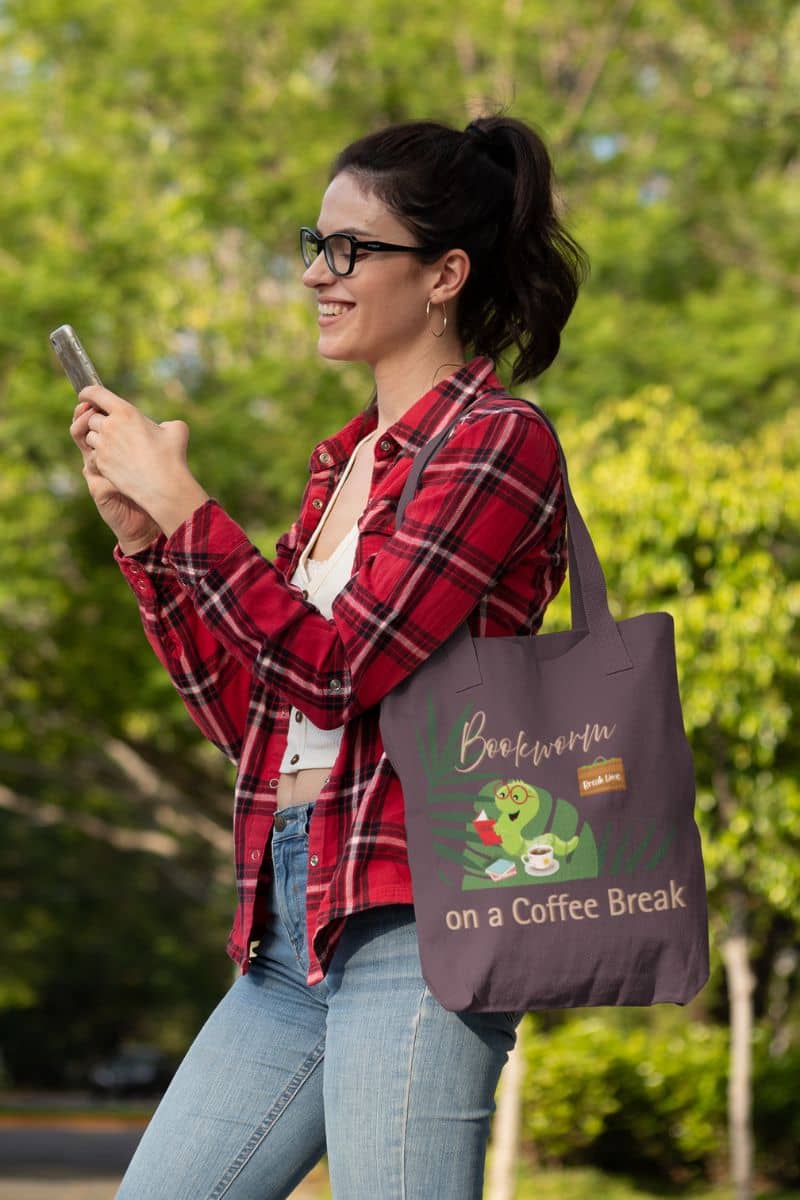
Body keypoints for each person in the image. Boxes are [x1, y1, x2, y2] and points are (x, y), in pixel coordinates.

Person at [69, 113, 589, 1200]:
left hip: (417, 918)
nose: (317, 273)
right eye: (316, 244)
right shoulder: (342, 465)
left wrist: (190, 507)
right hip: (288, 916)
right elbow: (252, 721)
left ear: (443, 275)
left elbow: (340, 668)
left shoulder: (498, 442)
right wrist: (149, 542)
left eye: (350, 249)